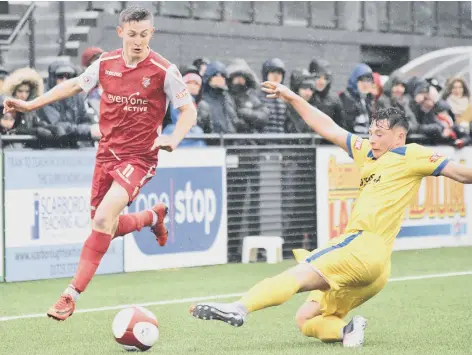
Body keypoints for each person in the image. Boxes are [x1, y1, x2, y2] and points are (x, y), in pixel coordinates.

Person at [189, 81, 472, 348]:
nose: (372, 138)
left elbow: (461, 173)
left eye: (380, 134)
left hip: (362, 247)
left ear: (400, 135)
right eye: (371, 132)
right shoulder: (368, 153)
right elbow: (329, 128)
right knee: (305, 319)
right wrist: (293, 97)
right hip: (377, 270)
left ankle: (239, 308)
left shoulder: (412, 153)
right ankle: (347, 330)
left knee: (298, 274)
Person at [3, 5, 197, 321]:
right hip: (105, 155)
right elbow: (75, 85)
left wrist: (173, 139)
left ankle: (70, 295)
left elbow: (189, 112)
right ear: (120, 32)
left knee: (105, 216)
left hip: (140, 157)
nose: (138, 41)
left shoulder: (164, 70)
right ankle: (151, 217)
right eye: (132, 34)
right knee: (102, 224)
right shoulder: (105, 63)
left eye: (144, 34)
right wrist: (30, 104)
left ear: (152, 33)